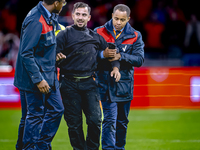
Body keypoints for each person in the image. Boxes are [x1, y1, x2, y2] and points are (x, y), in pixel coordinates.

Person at [56, 2, 121, 150]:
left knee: (95, 120)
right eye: (77, 14)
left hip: (89, 83)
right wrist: (56, 59)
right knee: (74, 123)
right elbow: (52, 57)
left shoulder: (95, 36)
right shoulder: (63, 35)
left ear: (89, 17)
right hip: (68, 84)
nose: (80, 17)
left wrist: (116, 68)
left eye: (83, 15)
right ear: (72, 16)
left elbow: (112, 54)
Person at [14, 0, 66, 149]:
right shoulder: (36, 20)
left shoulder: (47, 15)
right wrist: (38, 80)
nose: (64, 5)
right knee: (34, 116)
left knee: (55, 110)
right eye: (62, 2)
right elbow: (26, 53)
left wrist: (54, 57)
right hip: (36, 78)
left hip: (48, 73)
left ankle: (40, 145)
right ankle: (31, 147)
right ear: (56, 3)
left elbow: (40, 49)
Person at [94, 4, 144, 150]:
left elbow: (139, 60)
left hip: (124, 85)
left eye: (122, 20)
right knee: (109, 120)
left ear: (128, 19)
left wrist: (121, 56)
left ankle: (119, 148)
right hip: (104, 83)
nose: (118, 22)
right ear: (112, 16)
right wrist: (102, 55)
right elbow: (90, 55)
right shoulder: (98, 32)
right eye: (116, 18)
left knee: (122, 121)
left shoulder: (135, 36)